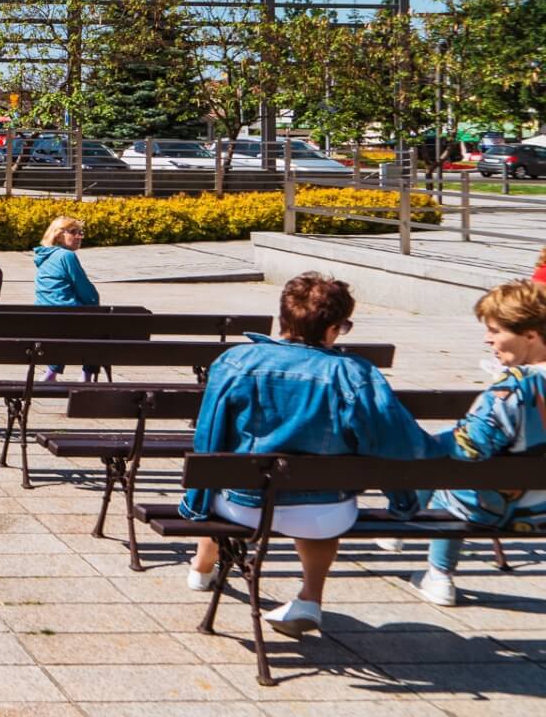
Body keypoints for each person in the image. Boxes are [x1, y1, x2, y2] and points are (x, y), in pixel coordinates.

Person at [183, 272, 443, 638]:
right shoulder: (354, 373)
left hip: (243, 505)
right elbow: (397, 443)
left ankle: (202, 565)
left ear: (283, 318)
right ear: (334, 328)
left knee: (223, 473)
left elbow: (210, 437)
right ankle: (310, 597)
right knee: (322, 509)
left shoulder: (236, 361)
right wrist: (404, 499)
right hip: (324, 510)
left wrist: (194, 503)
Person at [413, 278, 546, 606]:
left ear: (530, 334)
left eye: (496, 330)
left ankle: (439, 575)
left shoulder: (515, 387)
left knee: (448, 474)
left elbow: (471, 447)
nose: (488, 339)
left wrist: (434, 442)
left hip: (507, 511)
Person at [33, 215, 99, 380]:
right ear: (58, 234)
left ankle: (51, 373)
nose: (79, 236)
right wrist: (94, 303)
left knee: (63, 330)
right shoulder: (66, 256)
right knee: (99, 330)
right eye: (73, 232)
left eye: (80, 232)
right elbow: (85, 289)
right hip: (66, 316)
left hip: (44, 317)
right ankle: (87, 376)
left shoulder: (45, 257)